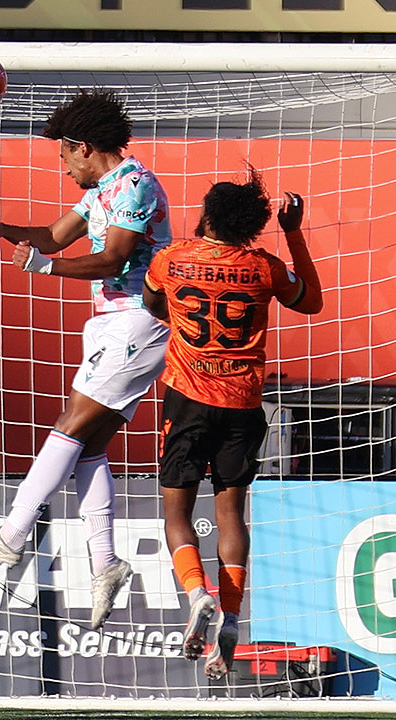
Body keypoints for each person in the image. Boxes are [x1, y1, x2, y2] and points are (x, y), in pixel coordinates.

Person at [0, 89, 173, 630]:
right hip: (112, 324)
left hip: (140, 320)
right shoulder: (100, 190)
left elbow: (115, 255)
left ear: (84, 147)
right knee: (89, 443)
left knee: (68, 426)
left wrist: (45, 268)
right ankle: (106, 562)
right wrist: (7, 230)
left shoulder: (134, 184)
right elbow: (51, 234)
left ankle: (11, 533)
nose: (64, 168)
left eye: (64, 157)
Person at [142, 172, 322, 678]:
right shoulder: (264, 268)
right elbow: (312, 302)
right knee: (231, 517)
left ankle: (197, 595)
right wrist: (292, 232)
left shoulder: (172, 258)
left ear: (207, 214)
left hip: (188, 398)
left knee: (176, 512)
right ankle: (233, 616)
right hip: (243, 405)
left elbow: (152, 303)